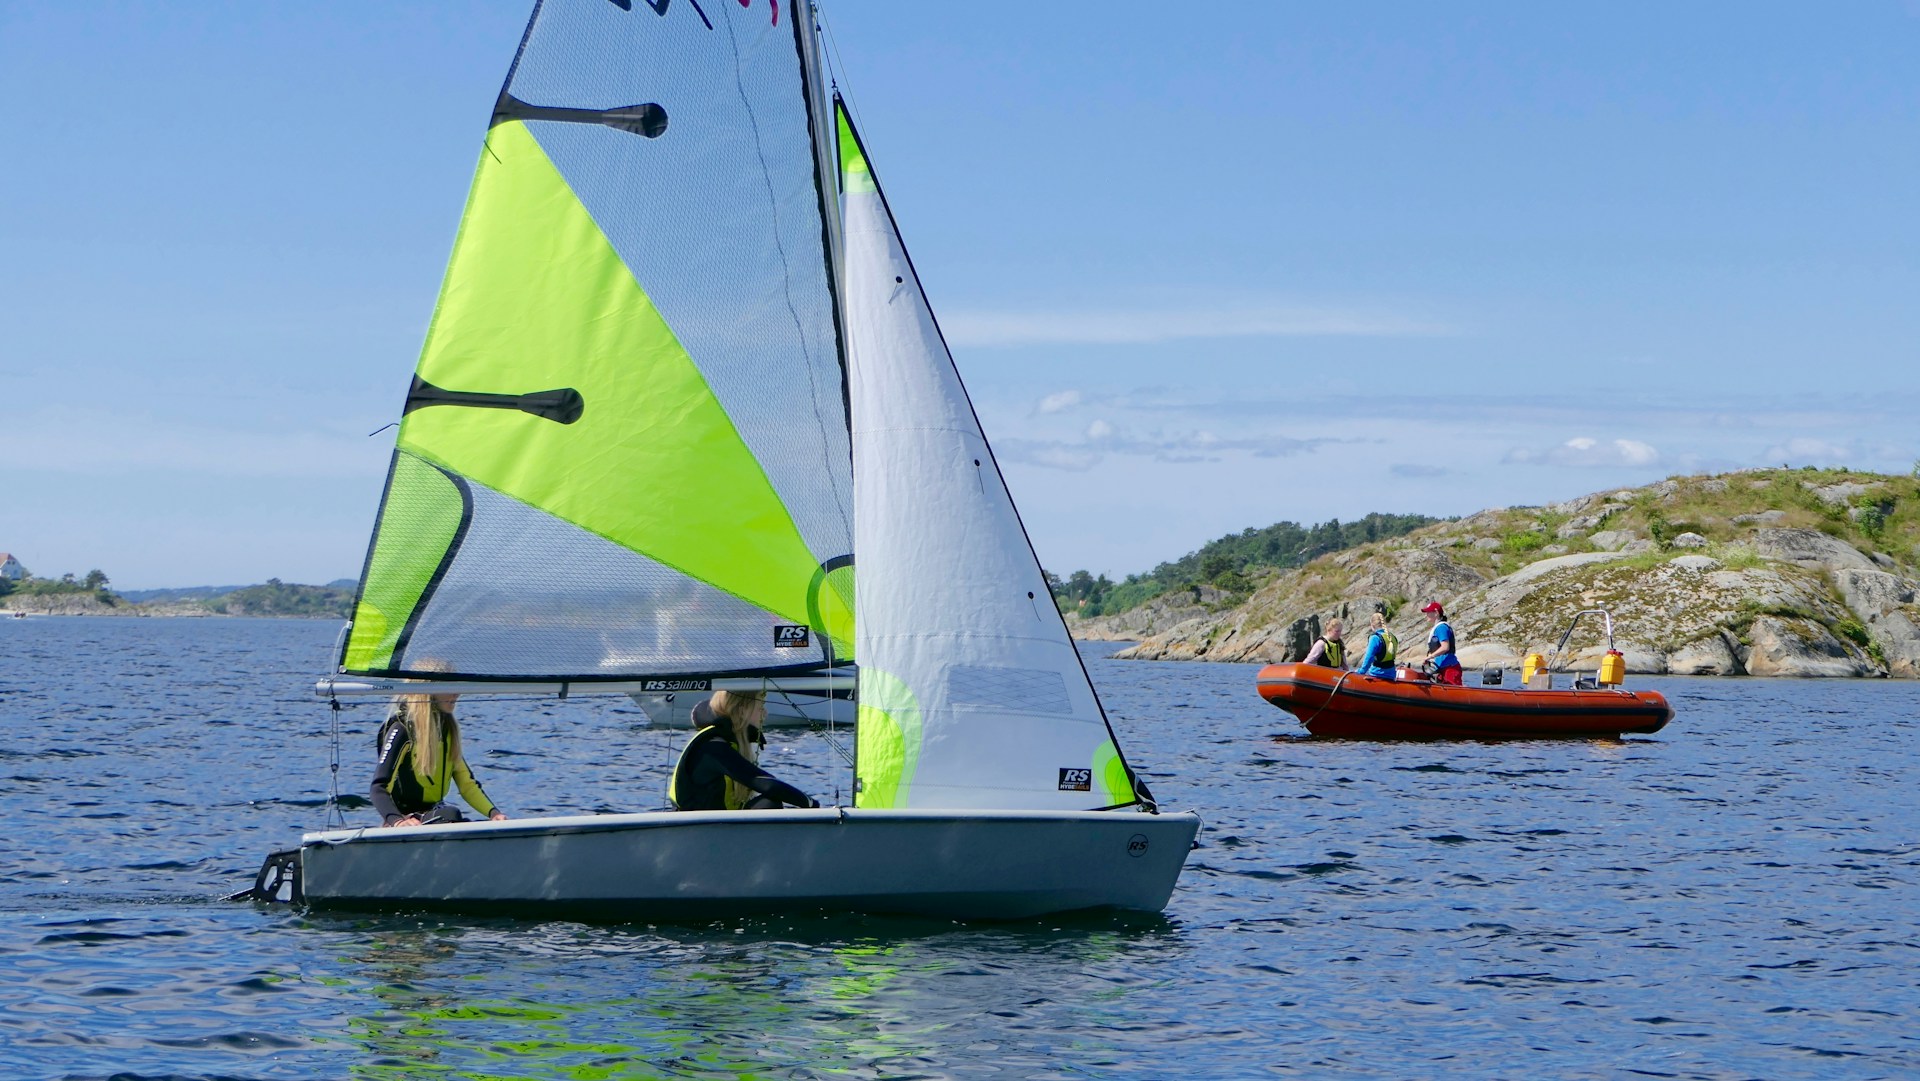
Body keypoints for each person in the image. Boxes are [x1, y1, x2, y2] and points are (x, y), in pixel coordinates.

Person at [370, 682, 509, 828]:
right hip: (405, 819)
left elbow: (467, 785)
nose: (457, 694)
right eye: (449, 687)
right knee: (450, 814)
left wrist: (494, 814)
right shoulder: (402, 729)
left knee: (452, 816)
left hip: (436, 815)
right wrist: (397, 821)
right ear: (427, 691)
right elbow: (379, 787)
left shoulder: (446, 730)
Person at [670, 690, 817, 811]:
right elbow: (765, 783)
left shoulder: (724, 742)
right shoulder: (712, 747)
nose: (765, 713)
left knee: (767, 803)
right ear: (742, 711)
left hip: (716, 828)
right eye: (760, 707)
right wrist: (811, 804)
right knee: (770, 804)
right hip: (699, 830)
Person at [1421, 601, 1464, 685]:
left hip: (1450, 668)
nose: (1426, 615)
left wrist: (1430, 657)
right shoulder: (1438, 627)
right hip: (1442, 667)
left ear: (1436, 613)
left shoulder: (1441, 628)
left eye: (1428, 612)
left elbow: (1445, 647)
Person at [1355, 612, 1397, 679]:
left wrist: (1361, 671)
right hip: (1391, 675)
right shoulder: (1392, 637)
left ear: (1372, 625)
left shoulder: (1375, 638)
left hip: (1377, 674)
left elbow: (1369, 657)